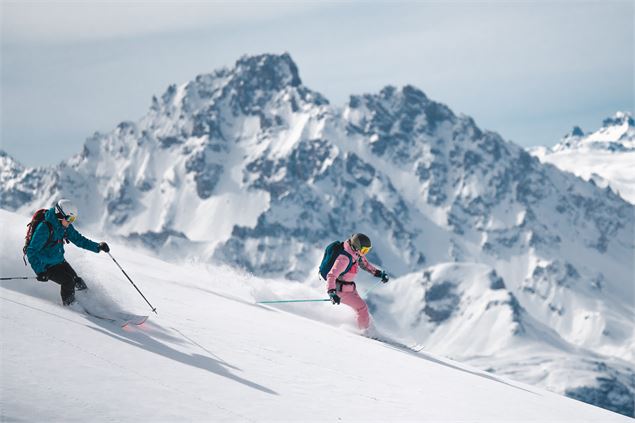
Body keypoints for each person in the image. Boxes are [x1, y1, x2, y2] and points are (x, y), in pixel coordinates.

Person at [26, 199, 110, 306]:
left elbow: (79, 240)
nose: (70, 222)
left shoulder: (65, 226)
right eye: (69, 218)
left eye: (73, 219)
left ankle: (92, 305)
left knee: (78, 282)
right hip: (46, 265)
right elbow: (31, 251)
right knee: (68, 282)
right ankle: (71, 307)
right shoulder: (44, 228)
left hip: (59, 261)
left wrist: (98, 247)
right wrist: (40, 271)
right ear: (59, 214)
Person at [323, 233, 389, 331]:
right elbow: (331, 275)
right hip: (340, 290)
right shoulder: (344, 259)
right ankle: (364, 332)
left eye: (367, 250)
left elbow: (365, 265)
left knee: (361, 309)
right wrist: (331, 293)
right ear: (357, 246)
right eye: (364, 250)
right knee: (362, 308)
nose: (365, 253)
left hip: (349, 288)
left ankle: (364, 328)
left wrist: (379, 274)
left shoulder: (356, 253)